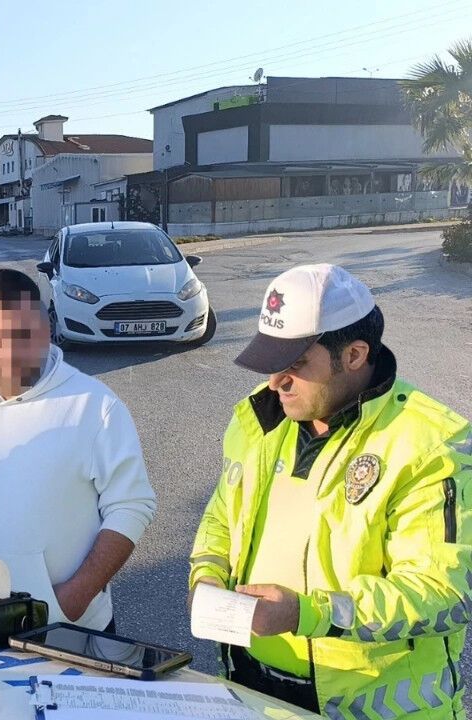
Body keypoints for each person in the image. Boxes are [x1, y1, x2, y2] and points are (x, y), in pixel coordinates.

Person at [189, 264, 472, 718]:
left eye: (296, 364)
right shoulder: (258, 421)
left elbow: (444, 593)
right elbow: (222, 518)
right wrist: (206, 577)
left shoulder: (429, 444)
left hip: (370, 706)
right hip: (251, 691)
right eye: (272, 362)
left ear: (355, 354)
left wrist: (308, 613)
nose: (275, 382)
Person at [0, 269, 156, 631]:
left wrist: (75, 597)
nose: (10, 352)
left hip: (66, 626)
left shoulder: (94, 406)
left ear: (46, 329)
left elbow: (132, 505)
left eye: (24, 334)